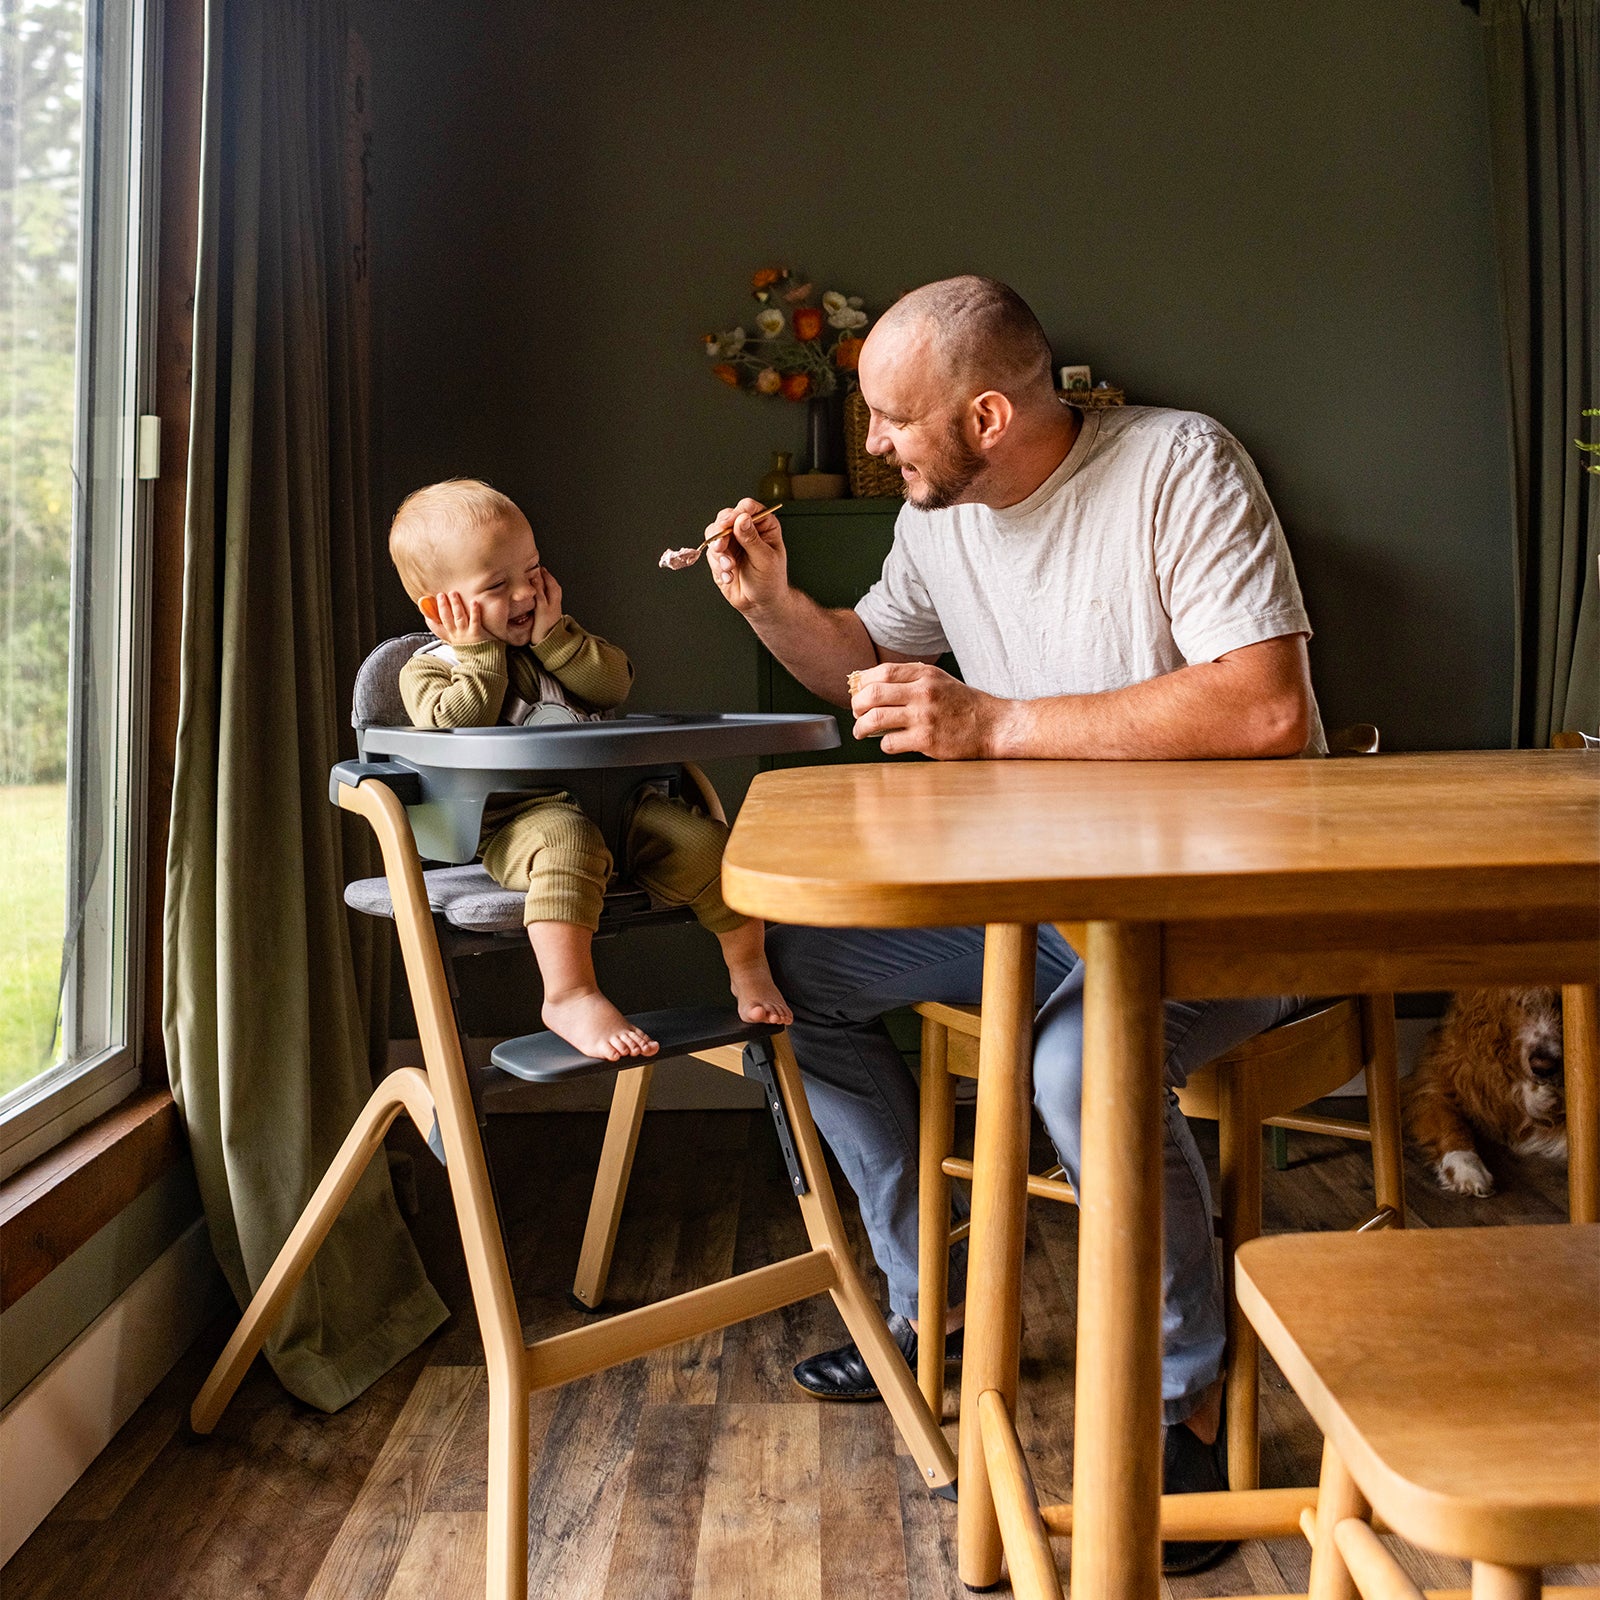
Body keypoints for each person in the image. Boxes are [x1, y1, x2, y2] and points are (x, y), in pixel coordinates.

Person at [700, 276, 1323, 1573]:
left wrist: (1001, 725)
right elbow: (866, 657)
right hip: (1033, 914)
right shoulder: (943, 524)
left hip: (1227, 914)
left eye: (891, 419)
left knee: (1075, 1065)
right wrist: (772, 607)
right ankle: (926, 1312)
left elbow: (1266, 709)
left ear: (985, 415)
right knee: (791, 971)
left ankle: (1184, 1393)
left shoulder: (1180, 466)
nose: (873, 443)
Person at [388, 478, 791, 1062]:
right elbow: (461, 722)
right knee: (566, 841)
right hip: (514, 824)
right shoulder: (430, 669)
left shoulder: (558, 641)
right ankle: (569, 993)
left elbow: (613, 683)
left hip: (620, 803)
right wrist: (480, 654)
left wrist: (555, 639)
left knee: (707, 844)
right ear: (438, 608)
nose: (526, 593)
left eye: (531, 570)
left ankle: (749, 965)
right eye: (498, 585)